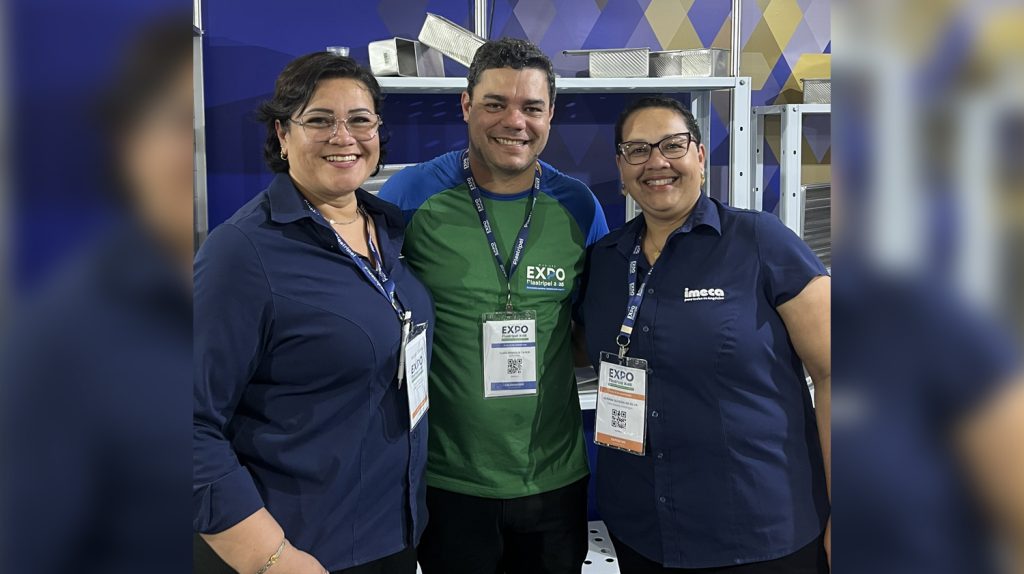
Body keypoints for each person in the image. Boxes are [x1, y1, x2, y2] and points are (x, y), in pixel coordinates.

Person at [193, 52, 434, 574]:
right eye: (319, 119)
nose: (343, 136)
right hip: (297, 549)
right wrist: (273, 558)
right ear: (283, 134)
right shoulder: (242, 253)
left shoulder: (389, 230)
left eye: (360, 120)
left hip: (391, 535)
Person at [378, 37, 608, 574]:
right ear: (466, 105)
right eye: (495, 104)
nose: (515, 122)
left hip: (555, 481)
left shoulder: (578, 205)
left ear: (551, 114)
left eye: (531, 107)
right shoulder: (410, 196)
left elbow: (588, 326)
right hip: (448, 480)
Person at [577, 96, 831, 573]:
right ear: (621, 167)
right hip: (642, 530)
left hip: (759, 532)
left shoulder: (761, 242)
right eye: (637, 150)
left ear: (699, 155)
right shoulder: (606, 260)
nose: (657, 162)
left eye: (673, 145)